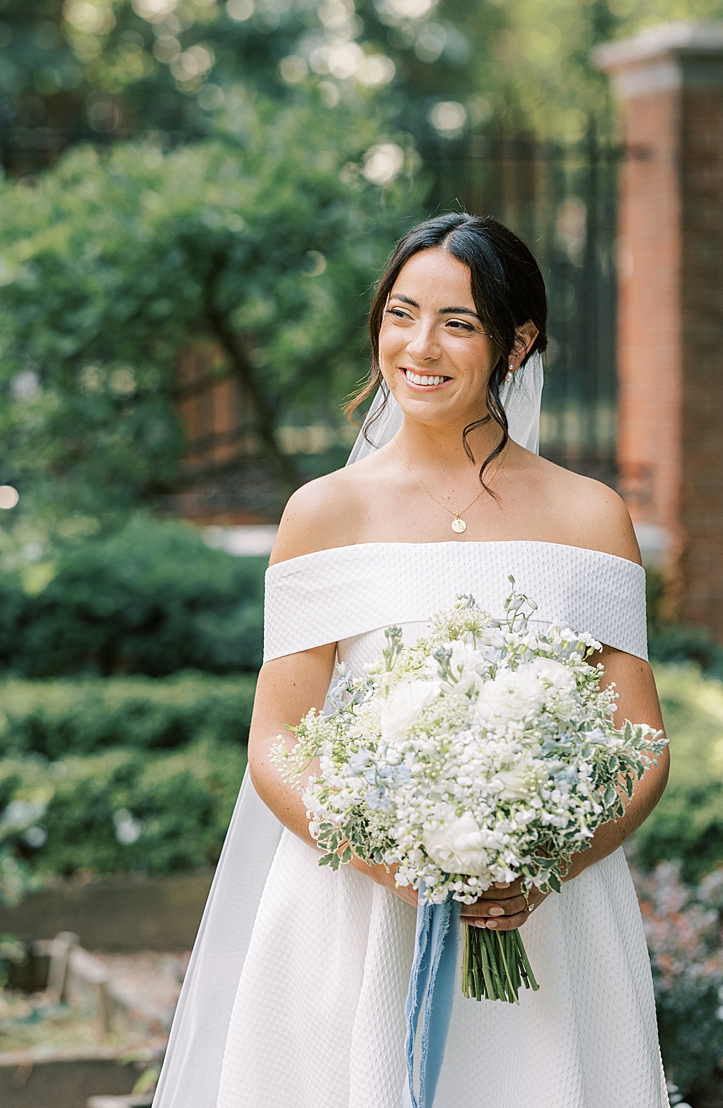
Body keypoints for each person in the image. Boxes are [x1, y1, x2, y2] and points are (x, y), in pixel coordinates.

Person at [154, 212, 671, 1108]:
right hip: (358, 912)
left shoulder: (591, 516)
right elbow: (279, 738)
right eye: (402, 313)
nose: (419, 346)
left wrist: (548, 863)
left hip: (550, 915)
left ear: (518, 344)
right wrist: (388, 861)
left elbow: (643, 741)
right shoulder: (323, 512)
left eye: (459, 323)